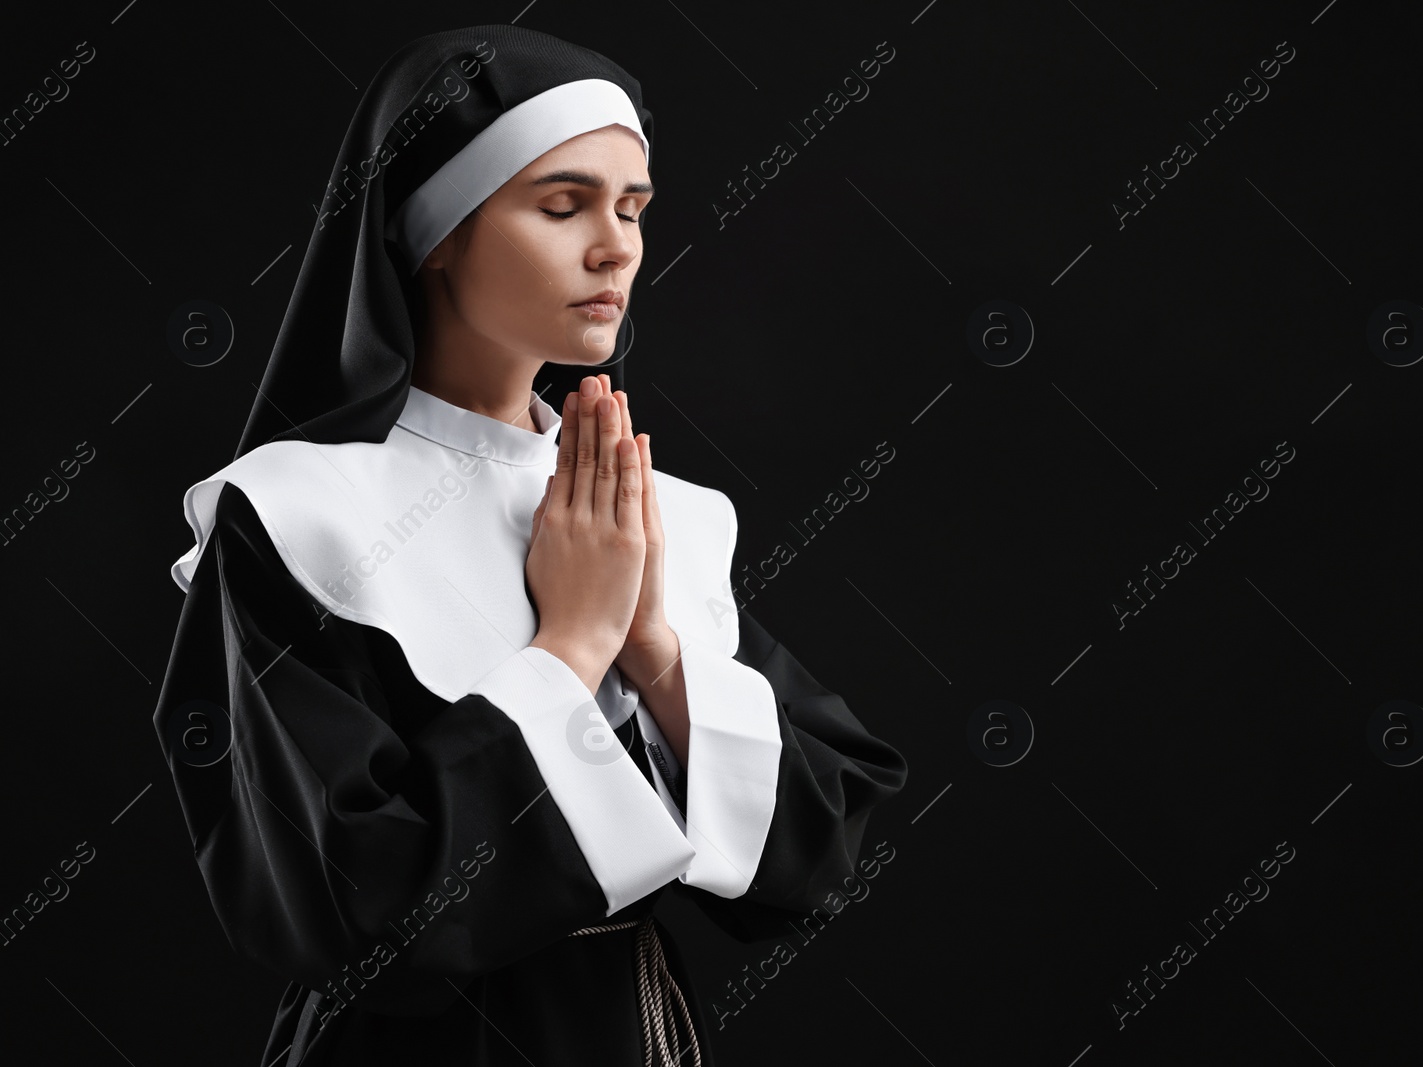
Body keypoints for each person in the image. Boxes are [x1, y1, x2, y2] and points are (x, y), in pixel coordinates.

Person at [151, 23, 907, 1067]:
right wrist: (571, 647)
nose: (616, 246)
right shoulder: (293, 515)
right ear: (437, 231)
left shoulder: (645, 509)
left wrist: (653, 651)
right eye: (563, 205)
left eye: (633, 208)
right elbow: (341, 906)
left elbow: (823, 846)